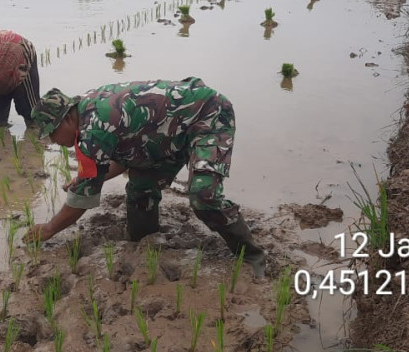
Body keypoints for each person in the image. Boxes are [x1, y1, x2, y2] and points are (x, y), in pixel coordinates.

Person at [24, 77, 266, 277]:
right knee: (140, 190)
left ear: (67, 119)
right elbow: (121, 157)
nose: (53, 141)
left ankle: (252, 255)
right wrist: (85, 179)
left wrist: (49, 229)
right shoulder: (86, 112)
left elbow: (82, 200)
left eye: (52, 133)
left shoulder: (94, 128)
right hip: (163, 136)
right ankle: (146, 243)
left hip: (207, 116)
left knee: (203, 195)